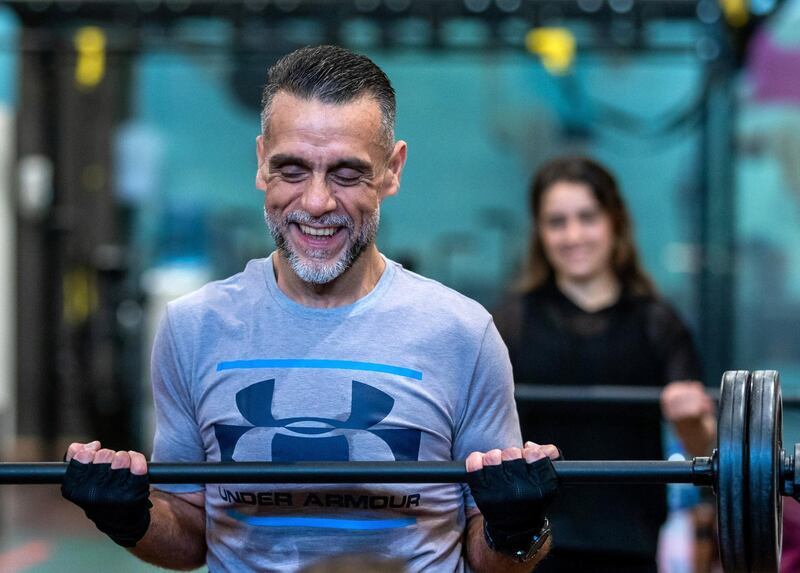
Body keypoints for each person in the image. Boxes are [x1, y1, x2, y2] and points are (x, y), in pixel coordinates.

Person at [60, 45, 561, 572]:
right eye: (292, 170)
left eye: (346, 174)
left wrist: (516, 527)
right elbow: (188, 535)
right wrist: (129, 519)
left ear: (392, 170)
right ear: (260, 163)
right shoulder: (193, 328)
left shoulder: (462, 333)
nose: (317, 202)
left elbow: (495, 560)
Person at [492, 156, 716, 573]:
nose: (573, 234)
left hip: (631, 543)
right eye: (557, 222)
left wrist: (689, 419)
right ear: (540, 233)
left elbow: (706, 450)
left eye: (587, 217)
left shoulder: (658, 323)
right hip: (531, 545)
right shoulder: (510, 324)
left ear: (614, 221)